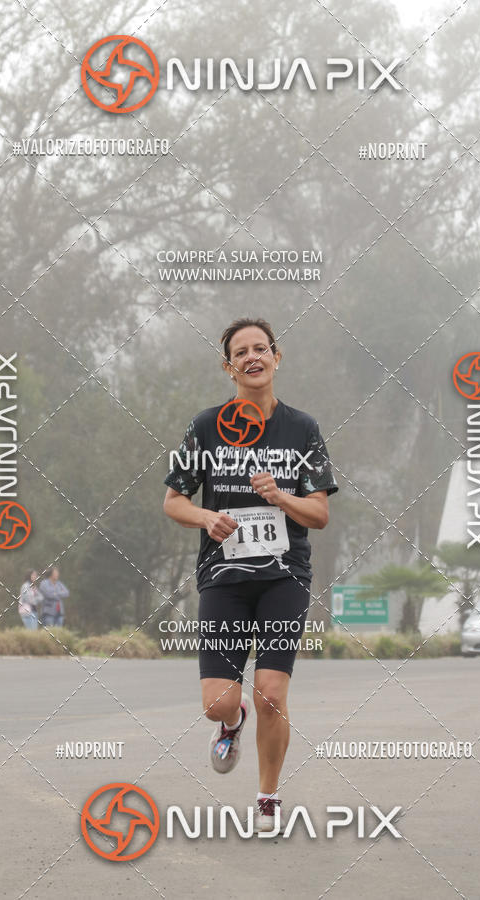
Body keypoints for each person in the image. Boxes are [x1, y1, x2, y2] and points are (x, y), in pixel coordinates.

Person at [163, 317, 338, 833]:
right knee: (217, 701)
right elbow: (173, 500)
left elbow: (320, 515)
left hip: (286, 576)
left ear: (276, 358)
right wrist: (206, 518)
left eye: (261, 348)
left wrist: (280, 496)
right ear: (228, 366)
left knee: (271, 692)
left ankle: (267, 796)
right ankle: (231, 723)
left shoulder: (302, 429)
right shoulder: (204, 427)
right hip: (223, 576)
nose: (252, 356)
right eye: (241, 352)